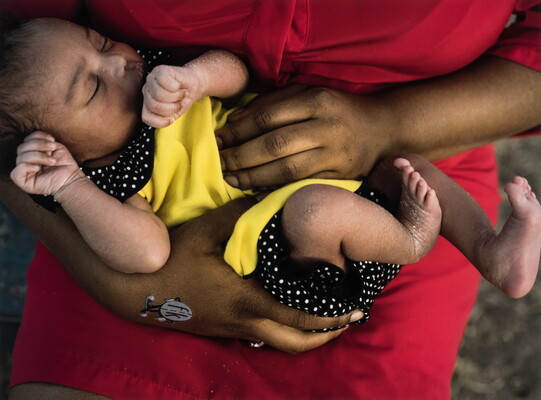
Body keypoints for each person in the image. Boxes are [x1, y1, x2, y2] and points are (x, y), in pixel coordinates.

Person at [1, 1, 540, 399]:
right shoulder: (110, 181)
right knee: (314, 211)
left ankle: (485, 249)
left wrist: (195, 77)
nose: (117, 64)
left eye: (100, 42)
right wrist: (78, 206)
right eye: (92, 90)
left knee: (407, 169)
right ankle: (410, 234)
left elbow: (230, 76)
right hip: (269, 255)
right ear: (58, 149)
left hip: (417, 128)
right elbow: (144, 256)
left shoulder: (149, 77)